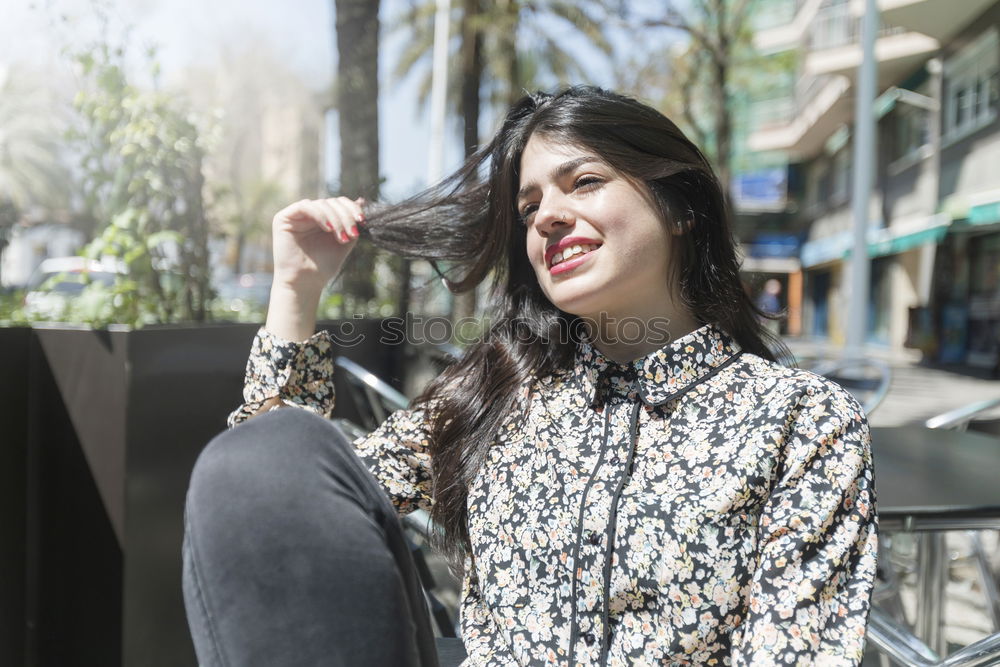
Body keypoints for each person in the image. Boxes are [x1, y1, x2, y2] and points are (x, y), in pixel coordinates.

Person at [182, 87, 878, 667]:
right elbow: (291, 496)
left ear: (680, 205)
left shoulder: (800, 419)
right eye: (528, 207)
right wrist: (295, 291)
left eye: (585, 181)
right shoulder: (498, 391)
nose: (547, 216)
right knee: (251, 464)